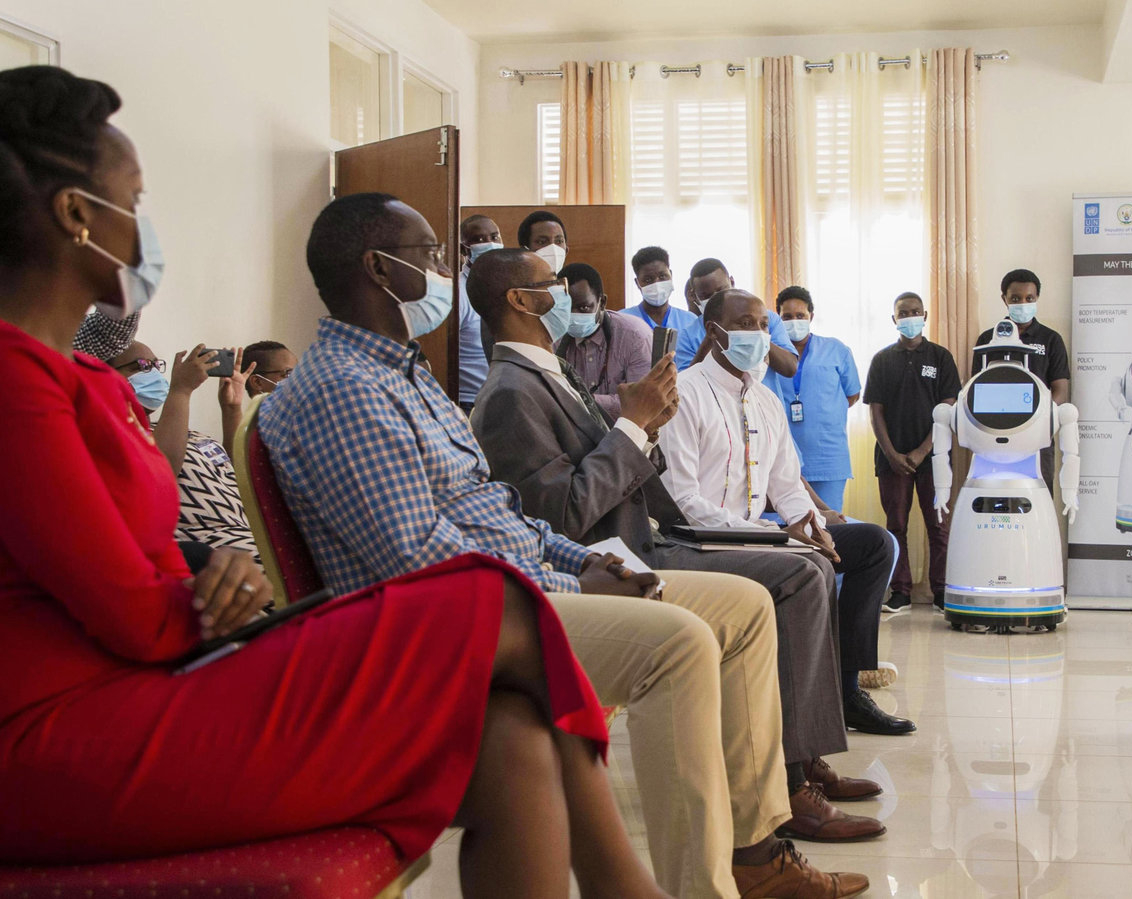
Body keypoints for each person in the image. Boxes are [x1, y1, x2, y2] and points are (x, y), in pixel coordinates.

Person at [0, 66, 653, 899]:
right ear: (75, 216)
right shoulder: (14, 384)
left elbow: (125, 549)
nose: (145, 230)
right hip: (61, 734)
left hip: (144, 674)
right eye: (136, 199)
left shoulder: (85, 379)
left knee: (512, 735)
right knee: (494, 597)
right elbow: (130, 610)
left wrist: (207, 567)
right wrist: (207, 600)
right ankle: (624, 885)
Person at [261, 193, 860, 899]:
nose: (450, 270)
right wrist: (573, 584)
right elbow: (419, 560)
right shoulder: (346, 389)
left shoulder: (404, 375)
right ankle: (703, 886)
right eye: (433, 255)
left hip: (518, 579)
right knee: (681, 643)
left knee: (747, 606)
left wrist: (583, 560)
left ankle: (754, 851)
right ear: (379, 269)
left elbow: (499, 512)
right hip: (444, 622)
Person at [470, 250, 889, 852]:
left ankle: (798, 761)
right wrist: (638, 427)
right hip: (622, 555)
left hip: (653, 534)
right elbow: (561, 513)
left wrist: (648, 432)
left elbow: (753, 482)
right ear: (519, 300)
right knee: (800, 575)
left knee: (829, 557)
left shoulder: (547, 372)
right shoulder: (512, 390)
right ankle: (792, 781)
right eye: (552, 286)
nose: (564, 295)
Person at [660, 288, 913, 739]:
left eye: (762, 325)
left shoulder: (765, 400)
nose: (757, 335)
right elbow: (682, 501)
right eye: (745, 325)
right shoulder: (685, 393)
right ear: (714, 332)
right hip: (700, 539)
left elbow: (785, 481)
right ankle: (799, 718)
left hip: (757, 533)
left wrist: (806, 523)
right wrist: (767, 535)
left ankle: (847, 688)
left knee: (874, 544)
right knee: (810, 567)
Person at [108, 339, 260, 561]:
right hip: (209, 548)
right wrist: (181, 390)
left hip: (246, 534)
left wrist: (231, 409)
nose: (152, 374)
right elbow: (162, 469)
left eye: (155, 365)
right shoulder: (120, 435)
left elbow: (240, 477)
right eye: (140, 366)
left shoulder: (186, 432)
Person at [866, 292, 961, 613]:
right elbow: (875, 412)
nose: (910, 317)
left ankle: (942, 591)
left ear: (926, 315)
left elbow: (948, 407)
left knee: (939, 526)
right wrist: (892, 454)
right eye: (903, 313)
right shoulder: (881, 360)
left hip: (934, 458)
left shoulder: (941, 357)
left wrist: (923, 450)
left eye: (915, 312)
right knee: (896, 526)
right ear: (894, 319)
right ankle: (901, 591)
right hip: (891, 459)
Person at [769, 285, 860, 513]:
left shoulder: (836, 350)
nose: (794, 321)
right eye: (787, 317)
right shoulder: (771, 355)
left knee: (831, 528)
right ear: (778, 319)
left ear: (811, 315)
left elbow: (852, 394)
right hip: (785, 459)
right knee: (793, 527)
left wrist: (824, 412)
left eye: (800, 315)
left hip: (828, 458)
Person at [555, 261, 653, 418]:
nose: (573, 316)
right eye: (565, 309)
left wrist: (583, 401)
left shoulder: (636, 337)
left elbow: (641, 402)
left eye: (583, 308)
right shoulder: (553, 338)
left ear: (602, 303)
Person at [674, 258, 799, 377]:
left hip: (764, 398)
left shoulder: (766, 319)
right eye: (706, 295)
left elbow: (790, 368)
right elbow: (687, 382)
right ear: (694, 296)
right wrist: (710, 339)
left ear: (732, 282)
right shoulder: (688, 335)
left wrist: (758, 337)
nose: (716, 299)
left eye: (721, 290)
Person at [971, 268, 1069, 404]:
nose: (1023, 304)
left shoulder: (1051, 339)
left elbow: (1061, 391)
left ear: (1037, 299)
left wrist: (1043, 416)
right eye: (1015, 299)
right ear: (1004, 299)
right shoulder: (987, 340)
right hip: (995, 417)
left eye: (1029, 298)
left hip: (1039, 418)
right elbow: (977, 388)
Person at [455, 213, 500, 412]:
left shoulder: (509, 284)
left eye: (494, 236)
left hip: (504, 399)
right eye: (480, 240)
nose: (490, 243)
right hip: (470, 403)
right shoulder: (457, 292)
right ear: (464, 249)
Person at [621, 245, 698, 333]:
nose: (656, 284)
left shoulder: (690, 321)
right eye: (648, 279)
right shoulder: (622, 320)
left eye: (662, 276)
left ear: (671, 275)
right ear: (637, 283)